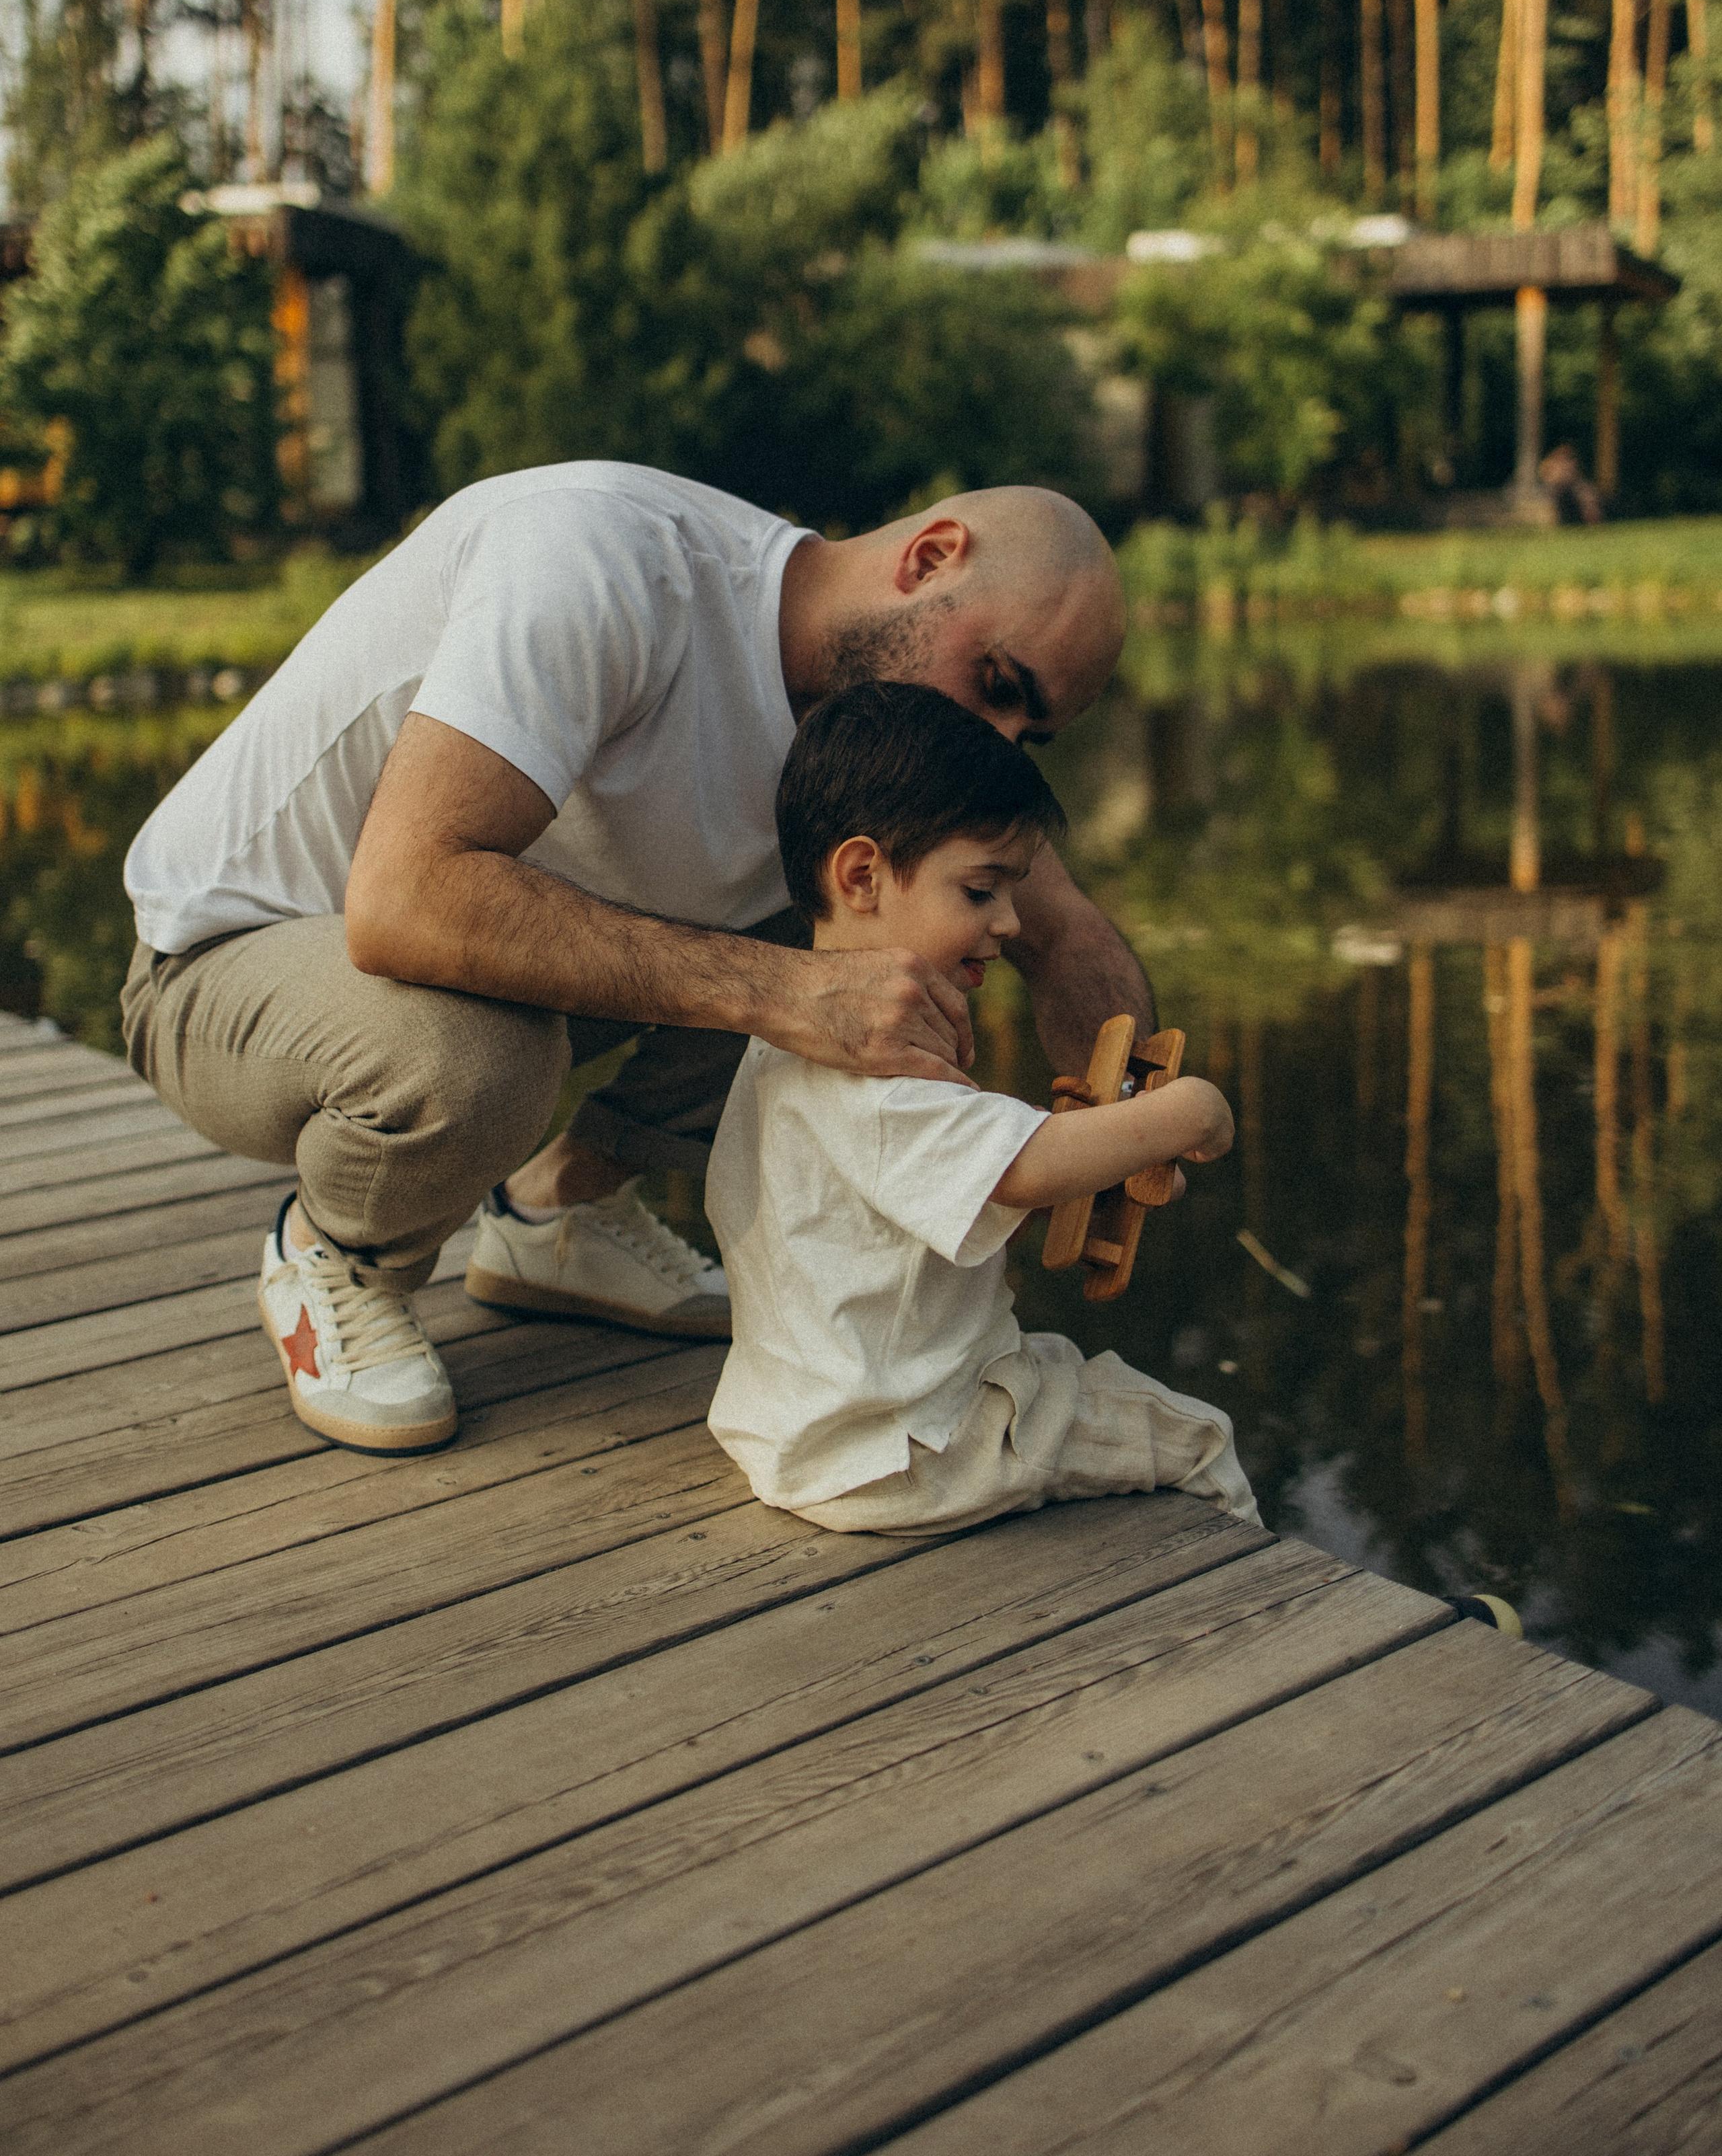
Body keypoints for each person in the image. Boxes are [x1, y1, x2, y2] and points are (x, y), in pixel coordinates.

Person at [120, 465, 1151, 1455]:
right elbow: (403, 902)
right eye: (998, 685)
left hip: (460, 961)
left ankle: (559, 1213)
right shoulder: (599, 560)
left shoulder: (892, 734)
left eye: (1027, 735)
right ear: (929, 559)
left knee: (898, 914)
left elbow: (1062, 934)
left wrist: (1131, 1111)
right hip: (224, 963)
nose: (993, 739)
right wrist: (790, 992)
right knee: (483, 1056)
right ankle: (335, 1253)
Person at [704, 682, 1259, 1535]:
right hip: (916, 1445)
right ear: (861, 876)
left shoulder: (784, 1039)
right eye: (979, 891)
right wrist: (1190, 1111)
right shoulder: (882, 1079)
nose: (1008, 923)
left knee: (1073, 1373)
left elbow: (938, 1207)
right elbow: (1020, 1170)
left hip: (809, 1426)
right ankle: (1283, 1608)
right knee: (1197, 1439)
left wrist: (1104, 1162)